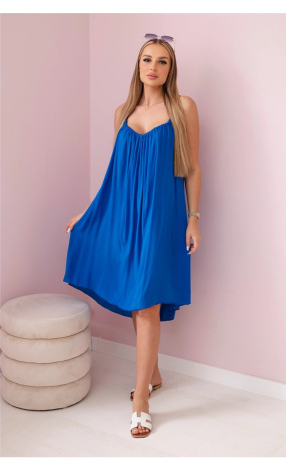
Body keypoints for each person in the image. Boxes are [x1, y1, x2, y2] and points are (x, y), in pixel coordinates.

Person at [63, 35, 201, 438]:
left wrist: (193, 219)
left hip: (162, 218)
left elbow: (193, 167)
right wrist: (90, 213)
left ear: (170, 69)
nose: (153, 67)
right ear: (138, 66)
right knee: (138, 301)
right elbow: (117, 175)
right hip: (126, 216)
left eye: (162, 61)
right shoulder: (122, 113)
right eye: (147, 59)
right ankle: (153, 375)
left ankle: (141, 399)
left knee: (146, 303)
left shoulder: (183, 107)